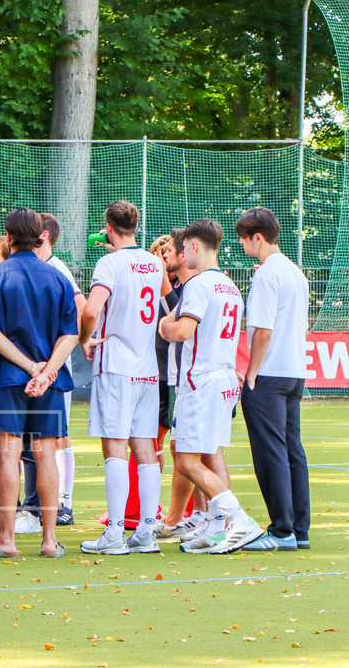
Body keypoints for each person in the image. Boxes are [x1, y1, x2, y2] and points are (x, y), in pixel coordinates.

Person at [0, 208, 76, 560]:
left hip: (7, 378)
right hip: (49, 381)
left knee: (8, 455)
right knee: (45, 456)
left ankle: (7, 540)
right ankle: (48, 540)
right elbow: (70, 335)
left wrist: (30, 368)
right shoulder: (58, 277)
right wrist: (45, 373)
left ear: (9, 237)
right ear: (41, 235)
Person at [159, 219, 263, 553]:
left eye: (185, 245)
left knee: (187, 461)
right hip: (223, 378)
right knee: (211, 452)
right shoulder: (230, 286)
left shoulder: (200, 284)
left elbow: (184, 330)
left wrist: (165, 328)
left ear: (193, 245)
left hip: (201, 381)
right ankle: (218, 525)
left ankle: (238, 518)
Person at [79, 201, 164, 556]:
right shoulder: (155, 262)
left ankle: (114, 532)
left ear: (108, 228)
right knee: (145, 448)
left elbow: (91, 308)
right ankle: (146, 530)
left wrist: (85, 338)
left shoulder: (109, 262)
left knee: (113, 447)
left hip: (116, 365)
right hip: (147, 368)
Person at [236, 207, 311, 552]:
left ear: (258, 238)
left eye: (244, 237)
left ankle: (281, 530)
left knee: (271, 453)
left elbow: (262, 330)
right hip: (294, 370)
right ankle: (299, 527)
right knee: (292, 449)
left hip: (269, 373)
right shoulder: (295, 272)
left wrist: (251, 372)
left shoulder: (267, 274)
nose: (241, 243)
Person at [32, 213, 86, 527]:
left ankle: (64, 502)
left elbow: (81, 306)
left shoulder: (56, 267)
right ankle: (40, 503)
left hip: (53, 365)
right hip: (40, 365)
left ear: (46, 235)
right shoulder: (38, 267)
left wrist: (67, 341)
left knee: (58, 436)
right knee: (38, 438)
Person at [156, 229, 205, 538]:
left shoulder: (194, 286)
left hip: (192, 378)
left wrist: (167, 326)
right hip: (184, 377)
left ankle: (217, 515)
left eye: (167, 253)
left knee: (191, 450)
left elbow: (176, 326)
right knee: (185, 449)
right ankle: (199, 514)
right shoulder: (191, 286)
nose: (163, 258)